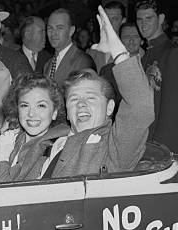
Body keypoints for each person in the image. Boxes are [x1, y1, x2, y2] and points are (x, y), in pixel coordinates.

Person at [12, 5, 154, 180]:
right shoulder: (51, 135)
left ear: (110, 107)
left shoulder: (111, 147)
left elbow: (140, 107)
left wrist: (118, 52)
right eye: (73, 99)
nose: (81, 104)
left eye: (91, 98)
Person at [0, 73, 67, 182]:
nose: (31, 114)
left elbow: (9, 194)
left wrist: (2, 160)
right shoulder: (12, 139)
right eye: (24, 105)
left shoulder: (53, 149)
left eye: (41, 106)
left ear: (55, 112)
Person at [137, 0, 178, 154]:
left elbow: (173, 113)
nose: (143, 24)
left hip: (158, 144)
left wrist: (161, 150)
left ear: (160, 19)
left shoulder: (173, 54)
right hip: (142, 139)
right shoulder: (146, 55)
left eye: (149, 18)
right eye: (139, 19)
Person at [44, 8, 95, 87]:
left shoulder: (83, 61)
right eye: (50, 28)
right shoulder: (48, 64)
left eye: (59, 28)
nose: (53, 33)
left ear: (71, 30)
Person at [89, 1, 127, 71]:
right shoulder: (93, 51)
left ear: (123, 21)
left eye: (114, 19)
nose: (109, 23)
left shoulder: (129, 49)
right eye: (106, 19)